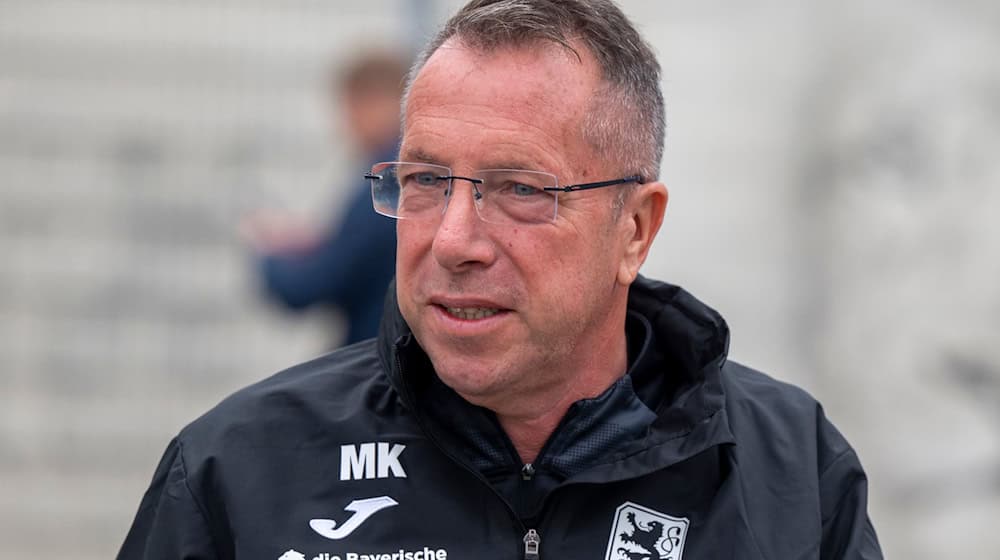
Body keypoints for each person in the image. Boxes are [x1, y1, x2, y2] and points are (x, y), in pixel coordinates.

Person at [120, 1, 882, 559]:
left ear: (636, 229)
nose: (453, 241)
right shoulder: (238, 472)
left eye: (521, 189)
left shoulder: (790, 473)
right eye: (423, 181)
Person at [244, 51, 408, 345]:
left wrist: (267, 253)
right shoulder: (418, 171)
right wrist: (323, 244)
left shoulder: (387, 180)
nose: (344, 125)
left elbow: (309, 286)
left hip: (376, 357)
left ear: (372, 103)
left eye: (348, 109)